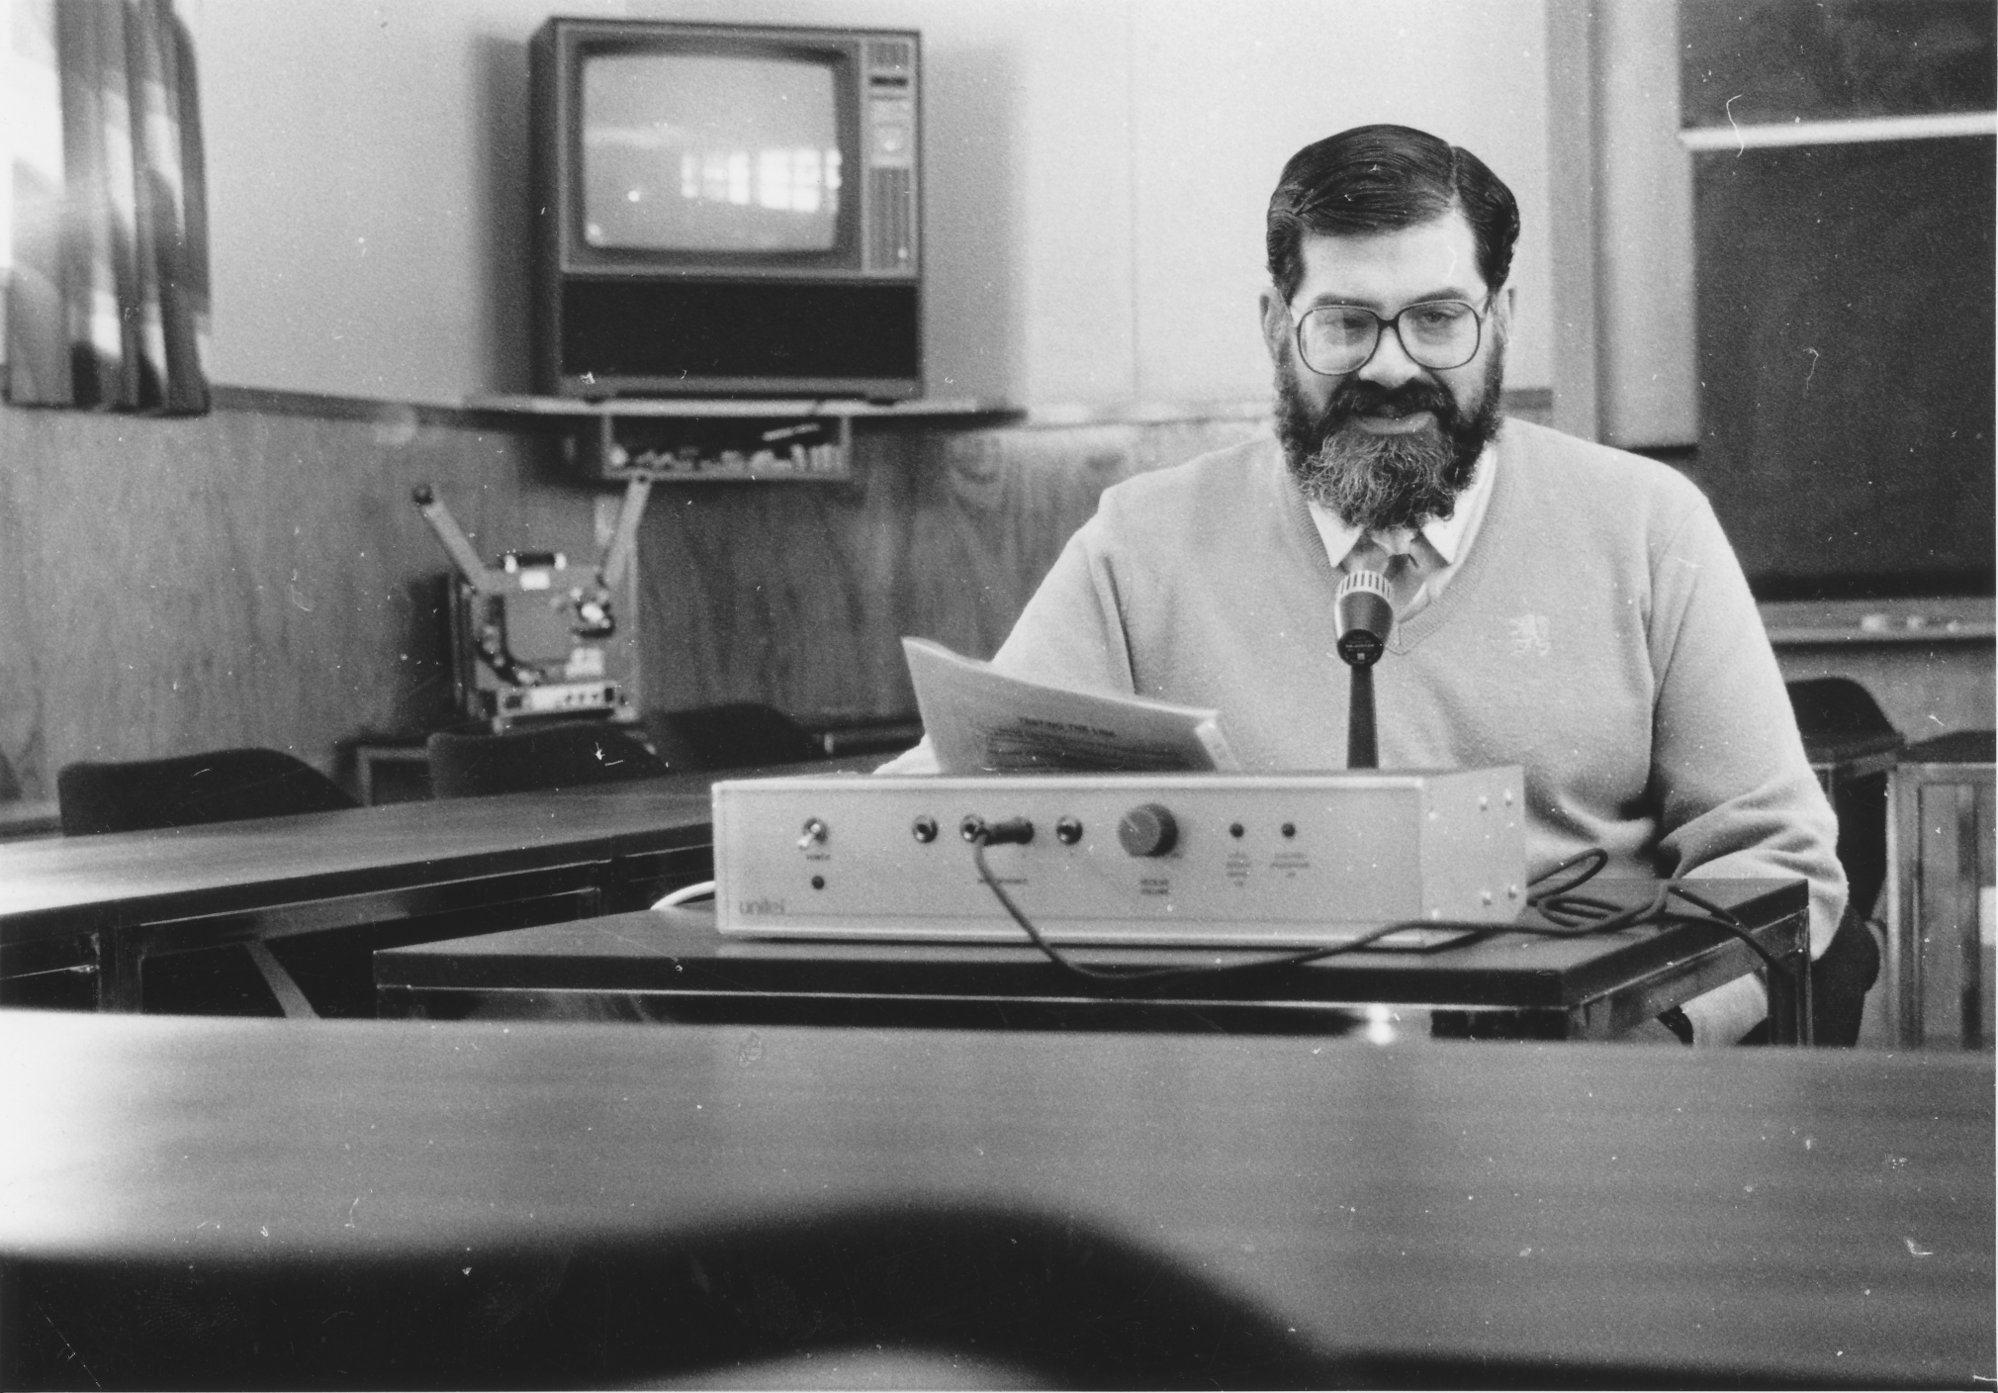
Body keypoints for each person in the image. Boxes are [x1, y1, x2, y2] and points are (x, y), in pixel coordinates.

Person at [884, 123, 1845, 1045]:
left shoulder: (1647, 525)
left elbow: (1775, 858)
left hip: (1571, 1084)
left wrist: (1659, 1035)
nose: (1391, 366)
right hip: (1234, 1090)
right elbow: (954, 800)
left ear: (1502, 321)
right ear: (1276, 326)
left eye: (1437, 319)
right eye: (1345, 323)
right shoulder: (1139, 544)